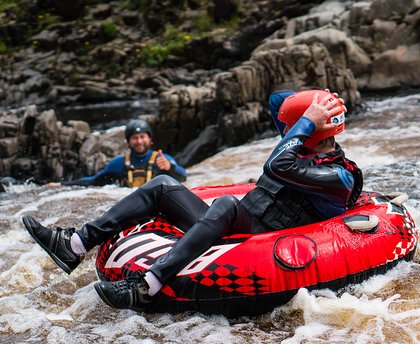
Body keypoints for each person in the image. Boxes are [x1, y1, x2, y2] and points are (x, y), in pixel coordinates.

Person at [22, 89, 362, 310]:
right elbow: (276, 100)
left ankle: (147, 286)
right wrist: (321, 101)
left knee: (225, 205)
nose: (288, 129)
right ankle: (76, 244)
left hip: (266, 237)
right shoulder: (301, 141)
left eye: (297, 127)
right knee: (164, 184)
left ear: (309, 130)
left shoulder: (338, 176)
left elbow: (275, 164)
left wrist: (308, 119)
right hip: (243, 223)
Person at [47, 118, 187, 187]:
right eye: (134, 138)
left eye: (142, 137)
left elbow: (184, 177)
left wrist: (170, 168)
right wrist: (62, 185)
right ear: (128, 141)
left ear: (150, 139)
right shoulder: (119, 163)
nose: (139, 141)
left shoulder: (163, 159)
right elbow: (94, 181)